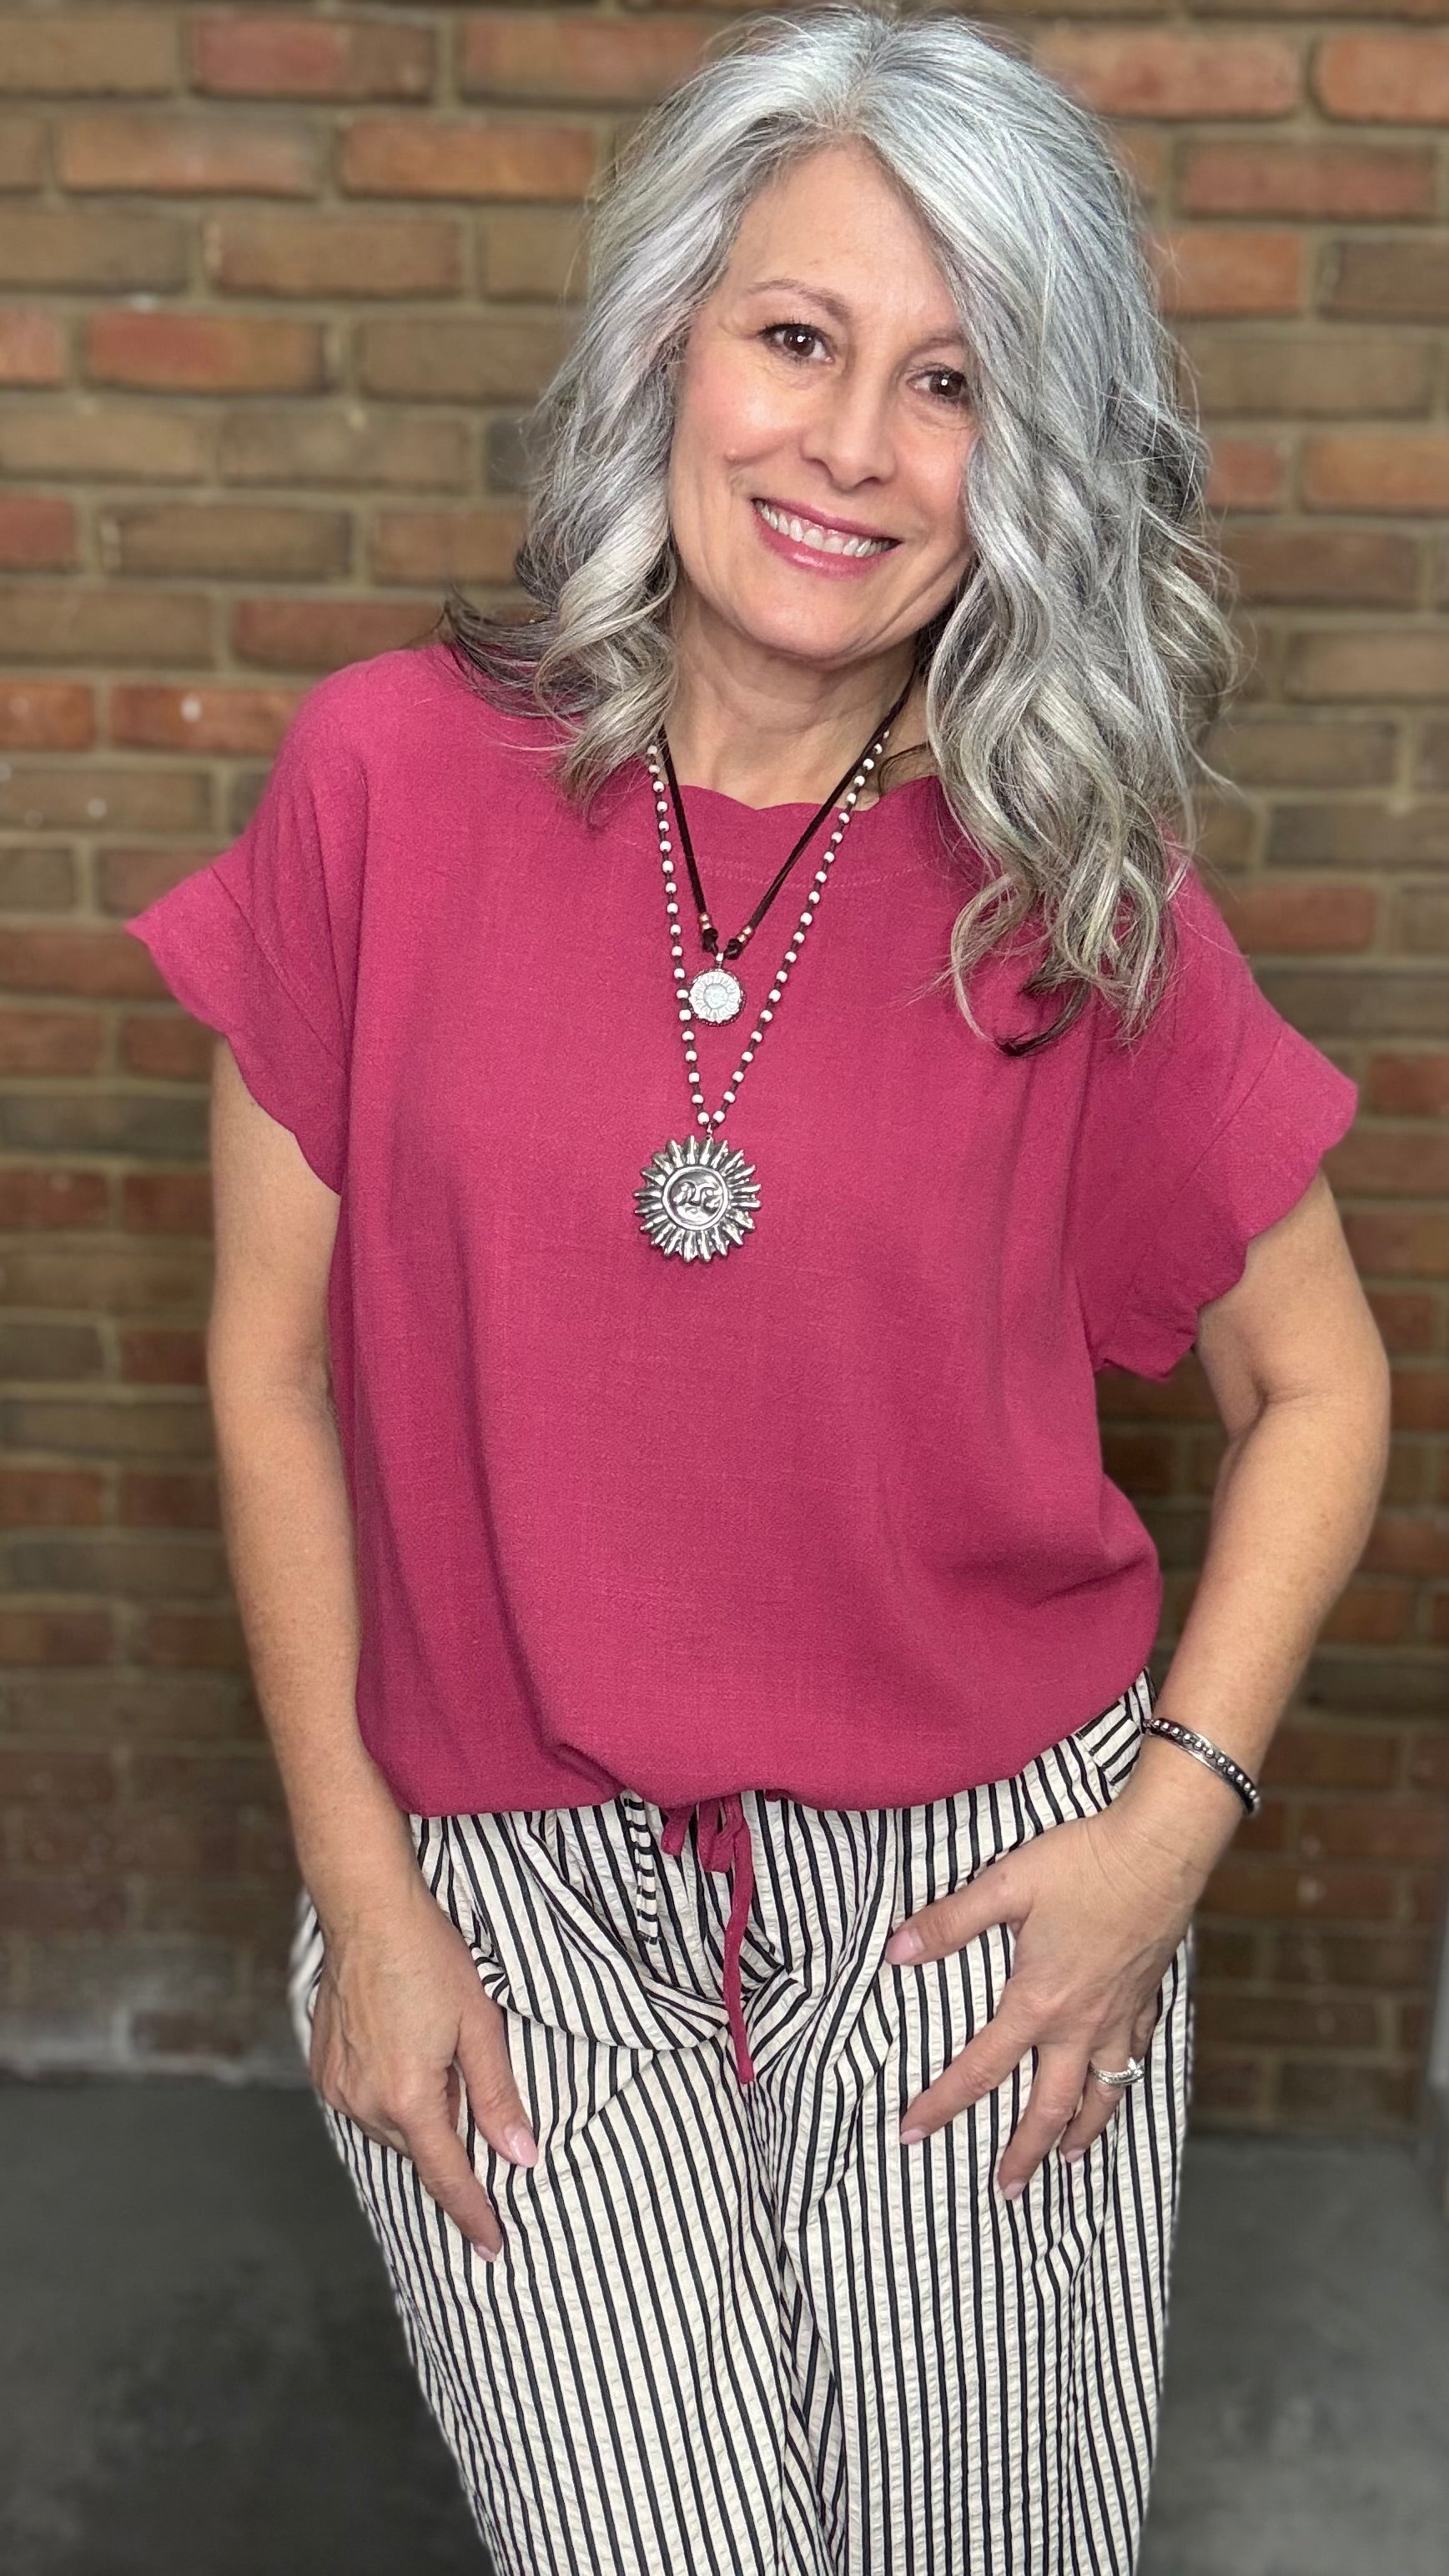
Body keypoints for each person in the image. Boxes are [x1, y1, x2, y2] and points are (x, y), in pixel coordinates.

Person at [123, 8, 1390, 2571]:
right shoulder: (381, 780)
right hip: (504, 1891)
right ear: (668, 343)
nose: (845, 447)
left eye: (952, 386)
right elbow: (268, 1373)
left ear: (1021, 468)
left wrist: (1168, 1833)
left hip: (969, 1910)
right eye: (797, 337)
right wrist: (363, 1904)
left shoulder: (1075, 890)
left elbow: (1321, 1387)